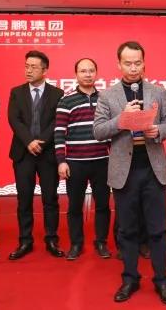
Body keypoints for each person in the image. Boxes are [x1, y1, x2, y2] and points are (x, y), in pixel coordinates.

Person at [93, 41, 166, 305]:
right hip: (124, 171)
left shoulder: (158, 92)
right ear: (118, 64)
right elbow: (98, 131)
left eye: (137, 63)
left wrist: (158, 131)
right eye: (128, 63)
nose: (133, 68)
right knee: (127, 230)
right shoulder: (108, 96)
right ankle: (130, 278)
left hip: (153, 168)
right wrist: (122, 120)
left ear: (144, 63)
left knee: (158, 229)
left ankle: (162, 280)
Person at [7, 50, 64, 260]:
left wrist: (42, 141)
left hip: (47, 154)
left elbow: (57, 121)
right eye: (26, 66)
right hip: (23, 153)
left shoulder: (57, 94)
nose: (28, 70)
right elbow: (14, 120)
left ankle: (51, 239)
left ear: (44, 70)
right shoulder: (16, 92)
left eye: (33, 67)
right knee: (24, 199)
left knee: (50, 199)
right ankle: (25, 240)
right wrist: (29, 141)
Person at [55, 58, 111, 260]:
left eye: (91, 70)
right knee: (75, 207)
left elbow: (111, 130)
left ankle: (101, 242)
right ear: (76, 74)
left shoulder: (105, 99)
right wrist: (61, 161)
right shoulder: (66, 100)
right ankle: (76, 244)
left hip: (102, 161)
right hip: (75, 163)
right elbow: (59, 132)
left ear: (96, 73)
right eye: (83, 71)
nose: (87, 74)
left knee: (103, 205)